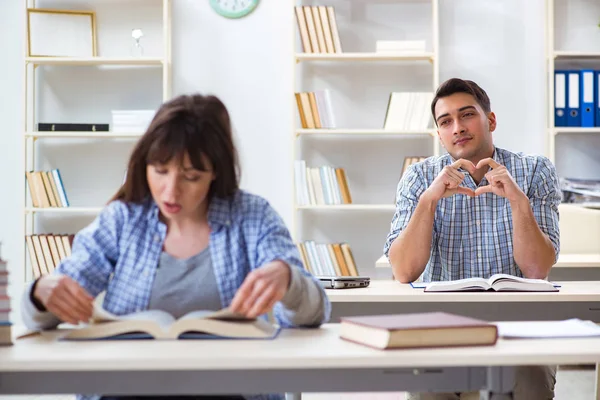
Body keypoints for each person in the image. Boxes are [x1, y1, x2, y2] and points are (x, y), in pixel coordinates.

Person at [22, 94, 331, 400]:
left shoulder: (253, 216)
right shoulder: (123, 219)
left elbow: (312, 314)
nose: (171, 190)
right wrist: (40, 293)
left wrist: (287, 279)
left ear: (215, 174)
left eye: (191, 177)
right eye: (159, 171)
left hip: (231, 391)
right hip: (126, 391)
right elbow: (45, 312)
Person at [384, 78, 560, 400]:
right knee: (428, 385)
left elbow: (537, 269)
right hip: (442, 326)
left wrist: (518, 201)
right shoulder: (420, 177)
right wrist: (428, 201)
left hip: (519, 325)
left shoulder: (535, 170)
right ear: (439, 134)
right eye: (446, 121)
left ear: (490, 120)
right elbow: (404, 272)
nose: (457, 128)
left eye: (467, 115)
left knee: (530, 381)